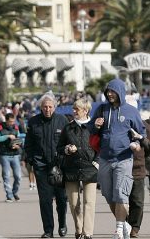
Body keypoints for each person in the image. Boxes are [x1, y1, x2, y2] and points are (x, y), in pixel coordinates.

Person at [87, 78, 145, 239]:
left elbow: (141, 134)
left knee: (121, 194)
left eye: (113, 91)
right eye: (108, 91)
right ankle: (124, 223)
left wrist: (136, 143)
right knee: (108, 194)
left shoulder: (131, 112)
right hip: (105, 158)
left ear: (120, 92)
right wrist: (96, 126)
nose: (110, 94)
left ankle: (119, 229)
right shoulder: (101, 109)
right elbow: (90, 129)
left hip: (124, 158)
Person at [24, 92, 69, 238]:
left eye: (50, 107)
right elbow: (28, 144)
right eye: (44, 107)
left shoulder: (62, 121)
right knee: (45, 200)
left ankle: (62, 224)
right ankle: (48, 230)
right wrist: (31, 159)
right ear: (40, 108)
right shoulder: (33, 122)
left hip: (59, 167)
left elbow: (70, 141)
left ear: (55, 107)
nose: (47, 109)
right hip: (41, 166)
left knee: (61, 199)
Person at [57, 99, 98, 239]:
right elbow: (59, 147)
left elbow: (102, 146)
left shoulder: (94, 127)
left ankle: (88, 233)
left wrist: (97, 162)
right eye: (73, 109)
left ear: (85, 111)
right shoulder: (68, 128)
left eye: (77, 109)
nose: (73, 111)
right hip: (71, 168)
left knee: (89, 202)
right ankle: (79, 229)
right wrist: (67, 149)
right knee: (74, 202)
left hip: (90, 168)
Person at [127, 120, 150, 238]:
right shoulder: (119, 123)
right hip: (120, 168)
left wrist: (141, 139)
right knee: (121, 201)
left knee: (137, 201)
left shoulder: (145, 126)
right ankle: (125, 224)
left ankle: (135, 227)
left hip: (138, 169)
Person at [0, 113, 22, 202]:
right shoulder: (0, 128)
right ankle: (9, 195)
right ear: (6, 120)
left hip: (15, 154)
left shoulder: (16, 128)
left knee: (18, 176)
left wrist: (18, 145)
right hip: (4, 155)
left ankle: (15, 192)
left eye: (13, 121)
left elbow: (19, 139)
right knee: (6, 176)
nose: (12, 123)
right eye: (10, 121)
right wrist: (7, 136)